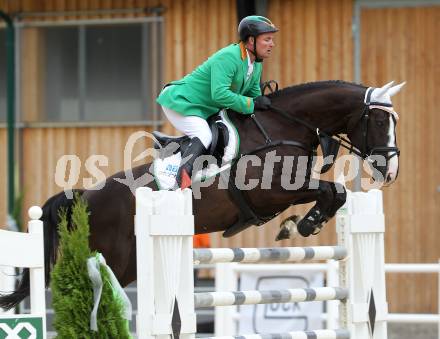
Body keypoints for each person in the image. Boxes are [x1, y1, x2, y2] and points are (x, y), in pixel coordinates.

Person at [156, 15, 278, 189]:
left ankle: (175, 146)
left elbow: (254, 96)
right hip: (181, 102)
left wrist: (265, 105)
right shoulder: (228, 57)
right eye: (267, 39)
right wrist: (252, 104)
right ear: (251, 40)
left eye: (271, 39)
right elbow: (220, 94)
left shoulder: (256, 63)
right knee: (204, 134)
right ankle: (181, 179)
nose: (272, 44)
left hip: (204, 108)